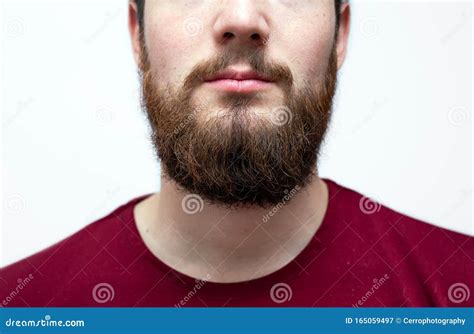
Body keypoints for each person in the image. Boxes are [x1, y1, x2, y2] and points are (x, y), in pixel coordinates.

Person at [1, 0, 472, 307]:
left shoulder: (459, 293)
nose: (242, 19)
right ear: (136, 34)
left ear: (340, 34)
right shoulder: (20, 308)